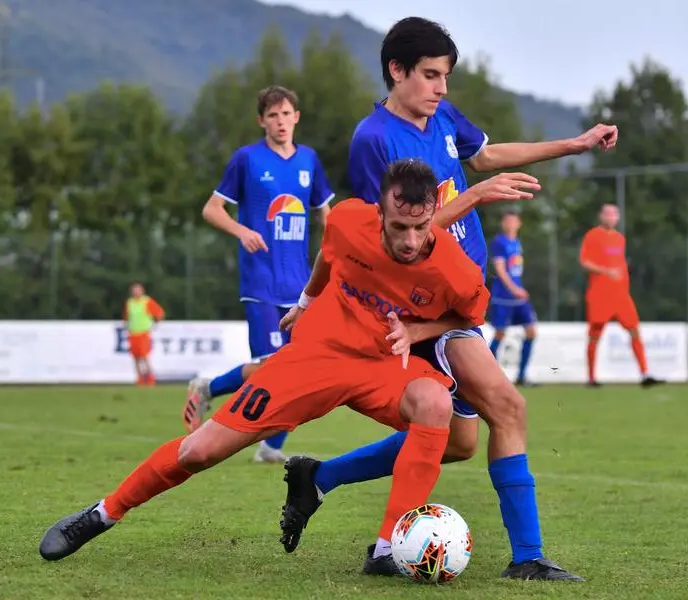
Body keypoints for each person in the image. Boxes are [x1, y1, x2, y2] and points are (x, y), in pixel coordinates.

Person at [279, 16, 619, 582]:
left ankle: (319, 477)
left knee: (458, 443)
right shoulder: (374, 139)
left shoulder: (440, 117)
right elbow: (395, 238)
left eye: (445, 77)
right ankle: (527, 557)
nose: (441, 89)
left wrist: (575, 144)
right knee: (509, 408)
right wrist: (476, 197)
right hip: (421, 307)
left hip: (459, 302)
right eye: (431, 76)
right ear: (396, 70)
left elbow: (484, 156)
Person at [38, 159, 491, 565]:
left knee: (435, 404)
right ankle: (103, 513)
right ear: (379, 212)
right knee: (200, 451)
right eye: (398, 228)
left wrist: (415, 331)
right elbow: (329, 256)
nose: (410, 241)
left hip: (383, 366)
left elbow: (470, 316)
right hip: (317, 355)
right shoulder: (350, 219)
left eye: (421, 228)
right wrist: (307, 299)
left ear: (434, 214)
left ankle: (389, 549)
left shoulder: (458, 271)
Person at [181, 86, 334, 464]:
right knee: (273, 366)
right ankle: (210, 389)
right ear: (261, 121)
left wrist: (340, 252)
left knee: (298, 371)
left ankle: (269, 447)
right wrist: (242, 231)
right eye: (273, 116)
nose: (280, 122)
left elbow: (327, 214)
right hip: (261, 281)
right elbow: (212, 209)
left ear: (296, 117)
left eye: (286, 114)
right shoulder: (247, 160)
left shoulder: (310, 161)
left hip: (300, 284)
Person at [579, 204, 662, 388]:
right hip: (600, 295)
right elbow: (584, 262)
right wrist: (607, 271)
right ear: (601, 216)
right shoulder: (593, 236)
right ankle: (591, 379)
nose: (611, 217)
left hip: (621, 296)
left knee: (634, 330)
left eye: (614, 214)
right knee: (595, 335)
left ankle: (645, 374)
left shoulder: (619, 239)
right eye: (607, 214)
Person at [488, 209, 538, 385]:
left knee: (531, 332)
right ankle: (487, 375)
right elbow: (500, 269)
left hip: (518, 297)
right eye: (507, 221)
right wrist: (514, 289)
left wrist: (518, 290)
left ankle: (522, 375)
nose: (510, 224)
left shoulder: (516, 242)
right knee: (500, 333)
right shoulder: (499, 242)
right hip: (504, 296)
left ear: (519, 224)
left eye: (513, 221)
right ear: (503, 224)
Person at [122, 283, 165, 386]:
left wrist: (155, 324)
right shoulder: (130, 302)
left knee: (145, 356)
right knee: (136, 357)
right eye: (134, 290)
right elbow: (126, 317)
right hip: (133, 333)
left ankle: (150, 377)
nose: (136, 292)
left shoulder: (146, 301)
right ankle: (139, 378)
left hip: (143, 333)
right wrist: (126, 325)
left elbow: (159, 313)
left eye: (138, 290)